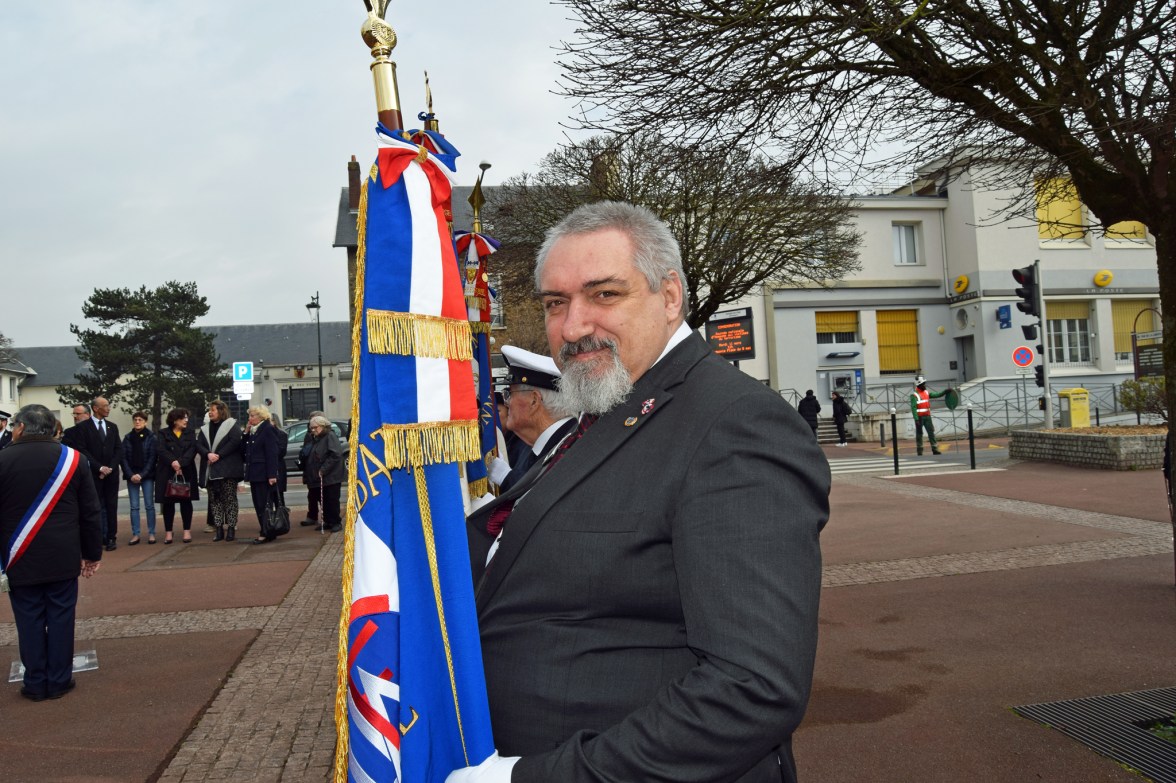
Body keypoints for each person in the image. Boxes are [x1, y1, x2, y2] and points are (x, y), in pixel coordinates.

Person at [455, 202, 829, 783]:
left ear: (670, 295)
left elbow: (751, 687)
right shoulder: (605, 408)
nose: (573, 327)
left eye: (604, 294)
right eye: (555, 303)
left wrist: (526, 779)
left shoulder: (734, 423)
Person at [0, 404, 102, 701]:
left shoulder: (2, 459)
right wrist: (92, 553)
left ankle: (35, 682)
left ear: (20, 427)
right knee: (61, 617)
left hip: (19, 554)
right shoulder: (74, 459)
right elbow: (90, 511)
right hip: (63, 553)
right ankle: (59, 680)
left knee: (28, 618)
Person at [487, 345, 575, 492]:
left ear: (534, 401)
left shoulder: (570, 447)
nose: (507, 403)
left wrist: (507, 478)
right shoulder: (557, 442)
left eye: (509, 394)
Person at [62, 397, 122, 551]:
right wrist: (99, 467)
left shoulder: (112, 427)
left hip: (111, 474)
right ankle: (99, 536)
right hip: (93, 475)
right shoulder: (83, 428)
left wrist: (110, 468)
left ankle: (111, 537)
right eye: (105, 406)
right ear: (96, 408)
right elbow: (82, 450)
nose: (108, 408)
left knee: (111, 506)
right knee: (96, 506)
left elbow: (118, 449)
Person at [198, 400, 244, 542]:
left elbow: (235, 442)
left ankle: (231, 528)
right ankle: (218, 529)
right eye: (209, 410)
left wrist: (218, 455)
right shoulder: (205, 429)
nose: (210, 412)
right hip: (211, 471)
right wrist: (207, 454)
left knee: (230, 500)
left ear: (221, 411)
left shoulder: (232, 426)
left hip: (228, 470)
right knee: (215, 501)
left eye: (213, 410)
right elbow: (198, 444)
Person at [154, 408, 200, 544]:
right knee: (168, 502)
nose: (186, 420)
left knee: (186, 501)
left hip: (186, 470)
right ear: (174, 420)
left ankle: (187, 530)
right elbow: (161, 449)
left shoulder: (190, 433)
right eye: (183, 418)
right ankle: (168, 532)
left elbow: (192, 450)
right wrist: (173, 462)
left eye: (187, 417)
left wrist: (180, 463)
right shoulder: (163, 433)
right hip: (167, 471)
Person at [243, 405, 281, 544]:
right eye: (249, 415)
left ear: (261, 416)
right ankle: (267, 530)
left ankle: (266, 532)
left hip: (263, 473)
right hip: (255, 473)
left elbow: (272, 453)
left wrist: (272, 475)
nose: (250, 418)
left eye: (252, 416)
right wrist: (246, 433)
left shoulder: (267, 429)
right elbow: (244, 449)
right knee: (259, 504)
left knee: (263, 504)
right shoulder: (254, 430)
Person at [120, 410, 158, 545]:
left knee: (149, 505)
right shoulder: (127, 438)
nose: (137, 422)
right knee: (134, 507)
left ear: (145, 422)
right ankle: (136, 534)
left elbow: (152, 458)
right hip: (131, 477)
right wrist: (131, 475)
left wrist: (142, 475)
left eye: (140, 420)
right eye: (135, 419)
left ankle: (151, 533)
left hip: (147, 476)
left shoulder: (151, 437)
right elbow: (123, 458)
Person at [304, 415, 344, 533]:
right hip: (322, 476)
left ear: (322, 426)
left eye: (315, 427)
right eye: (311, 428)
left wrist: (323, 469)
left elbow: (335, 454)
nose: (313, 430)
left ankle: (336, 522)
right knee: (324, 500)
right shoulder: (318, 438)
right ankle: (328, 521)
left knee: (332, 500)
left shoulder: (330, 436)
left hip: (331, 476)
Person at [910, 375, 950, 456]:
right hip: (919, 418)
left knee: (931, 433)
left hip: (927, 417)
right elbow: (913, 408)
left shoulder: (926, 392)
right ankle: (920, 451)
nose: (925, 385)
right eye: (923, 384)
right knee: (919, 434)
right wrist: (916, 419)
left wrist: (945, 392)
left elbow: (936, 395)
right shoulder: (914, 395)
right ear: (919, 385)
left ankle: (935, 449)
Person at [298, 410, 325, 527]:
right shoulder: (308, 435)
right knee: (312, 495)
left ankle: (325, 518)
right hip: (310, 468)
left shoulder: (325, 435)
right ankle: (312, 516)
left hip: (319, 468)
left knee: (322, 495)